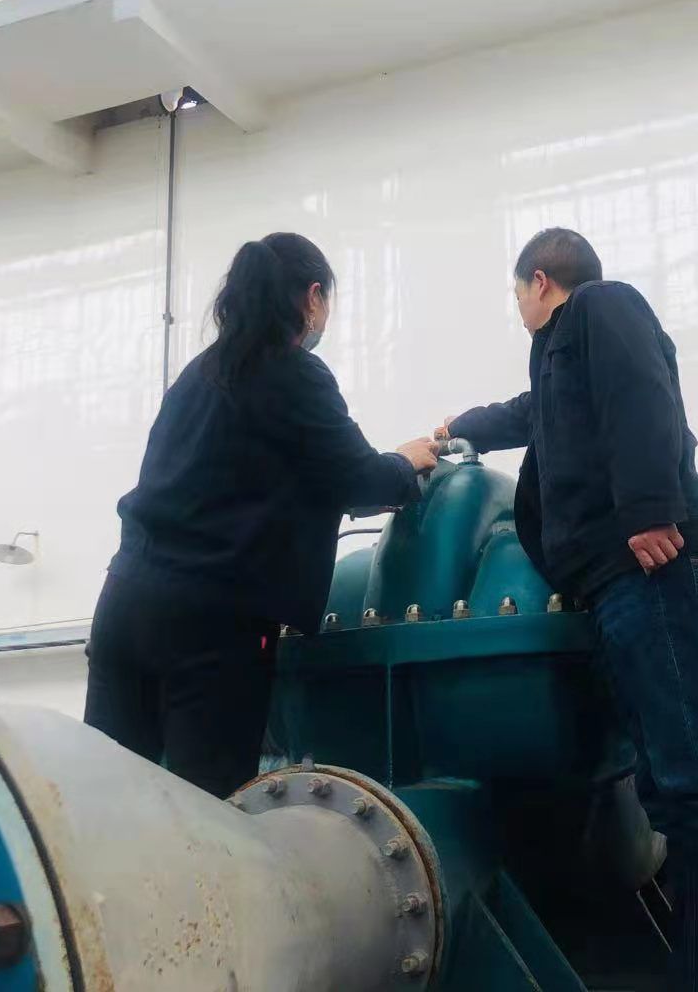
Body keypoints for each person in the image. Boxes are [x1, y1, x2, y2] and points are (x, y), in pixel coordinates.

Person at [437, 228, 698, 992]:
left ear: (541, 281)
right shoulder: (560, 363)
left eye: (517, 292)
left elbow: (642, 392)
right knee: (680, 799)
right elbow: (526, 413)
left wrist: (650, 508)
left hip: (658, 566)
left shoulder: (601, 308)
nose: (517, 307)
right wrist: (451, 433)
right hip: (625, 581)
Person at [85, 232, 438, 798]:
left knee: (106, 799)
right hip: (211, 629)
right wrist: (404, 463)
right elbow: (356, 478)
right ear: (313, 298)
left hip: (125, 606)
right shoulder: (293, 372)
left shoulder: (198, 374)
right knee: (208, 811)